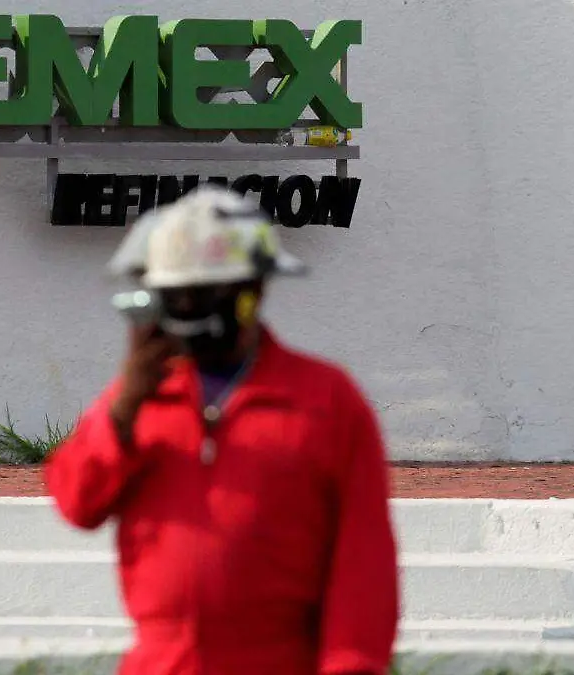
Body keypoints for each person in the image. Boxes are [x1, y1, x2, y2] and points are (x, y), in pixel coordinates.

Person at [43, 185, 400, 675]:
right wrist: (123, 409)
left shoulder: (325, 401)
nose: (188, 309)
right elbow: (77, 503)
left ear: (252, 293)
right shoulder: (141, 399)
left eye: (203, 294)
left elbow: (364, 558)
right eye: (176, 297)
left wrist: (351, 667)